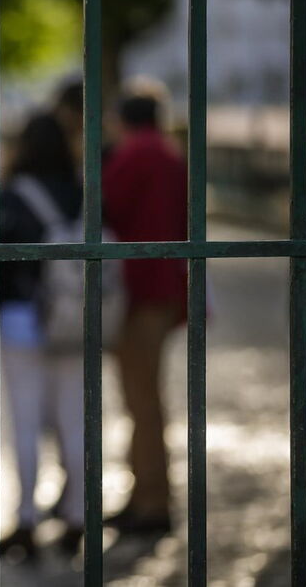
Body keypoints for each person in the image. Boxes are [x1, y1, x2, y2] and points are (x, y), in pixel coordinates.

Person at [0, 113, 86, 559]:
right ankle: (78, 514)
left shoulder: (14, 195)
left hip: (23, 317)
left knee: (25, 422)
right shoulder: (83, 192)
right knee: (75, 418)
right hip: (75, 316)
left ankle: (26, 518)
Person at [102, 86, 187, 534]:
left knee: (142, 400)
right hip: (163, 286)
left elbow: (106, 207)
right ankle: (145, 494)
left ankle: (152, 501)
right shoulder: (170, 153)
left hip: (137, 291)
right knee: (145, 398)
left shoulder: (134, 154)